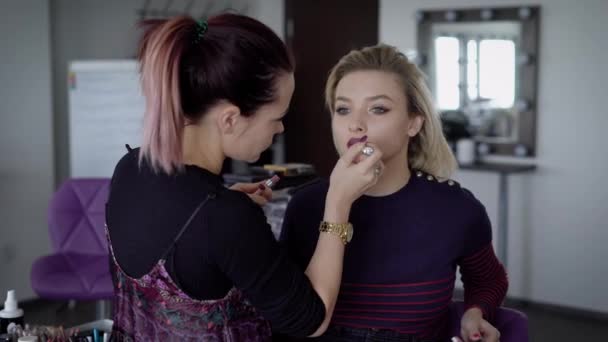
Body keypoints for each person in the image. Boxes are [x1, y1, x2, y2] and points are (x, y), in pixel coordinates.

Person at [105, 14, 383, 341]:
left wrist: (225, 211)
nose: (281, 129)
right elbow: (309, 320)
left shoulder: (129, 167)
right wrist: (338, 202)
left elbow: (179, 232)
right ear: (230, 119)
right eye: (276, 117)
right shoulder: (224, 216)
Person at [279, 44, 508, 342]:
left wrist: (475, 312)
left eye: (378, 109)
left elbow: (488, 279)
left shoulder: (457, 209)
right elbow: (285, 314)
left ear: (413, 123)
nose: (355, 124)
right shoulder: (306, 206)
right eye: (343, 109)